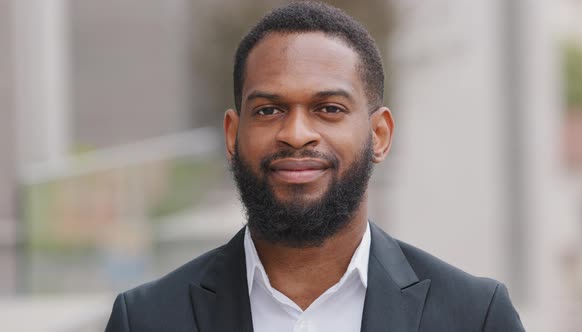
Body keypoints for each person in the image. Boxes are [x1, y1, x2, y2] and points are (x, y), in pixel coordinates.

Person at [105, 2, 525, 331]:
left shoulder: (475, 317)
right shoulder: (145, 320)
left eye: (328, 108)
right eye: (269, 110)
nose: (297, 132)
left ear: (379, 134)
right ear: (232, 135)